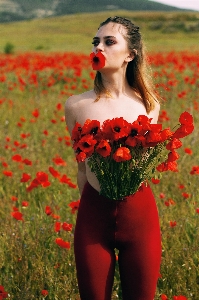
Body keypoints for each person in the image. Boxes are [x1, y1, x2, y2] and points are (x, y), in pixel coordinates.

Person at [65, 16, 161, 300]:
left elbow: (144, 165)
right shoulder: (76, 105)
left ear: (130, 54)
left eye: (109, 42)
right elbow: (82, 166)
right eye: (96, 42)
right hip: (94, 216)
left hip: (140, 216)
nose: (99, 48)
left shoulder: (149, 103)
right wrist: (95, 207)